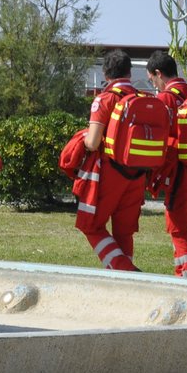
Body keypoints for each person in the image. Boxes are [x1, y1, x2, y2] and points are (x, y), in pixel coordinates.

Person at [76, 49, 148, 272]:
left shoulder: (105, 99)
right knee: (123, 231)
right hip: (138, 173)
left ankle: (124, 270)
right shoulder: (143, 98)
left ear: (106, 74)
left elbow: (93, 142)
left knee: (91, 225)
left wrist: (82, 138)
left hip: (111, 172)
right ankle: (122, 277)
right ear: (129, 72)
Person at [146, 50, 187, 278]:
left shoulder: (165, 99)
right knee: (183, 226)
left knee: (179, 229)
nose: (154, 85)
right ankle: (181, 276)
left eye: (152, 79)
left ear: (159, 74)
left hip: (179, 173)